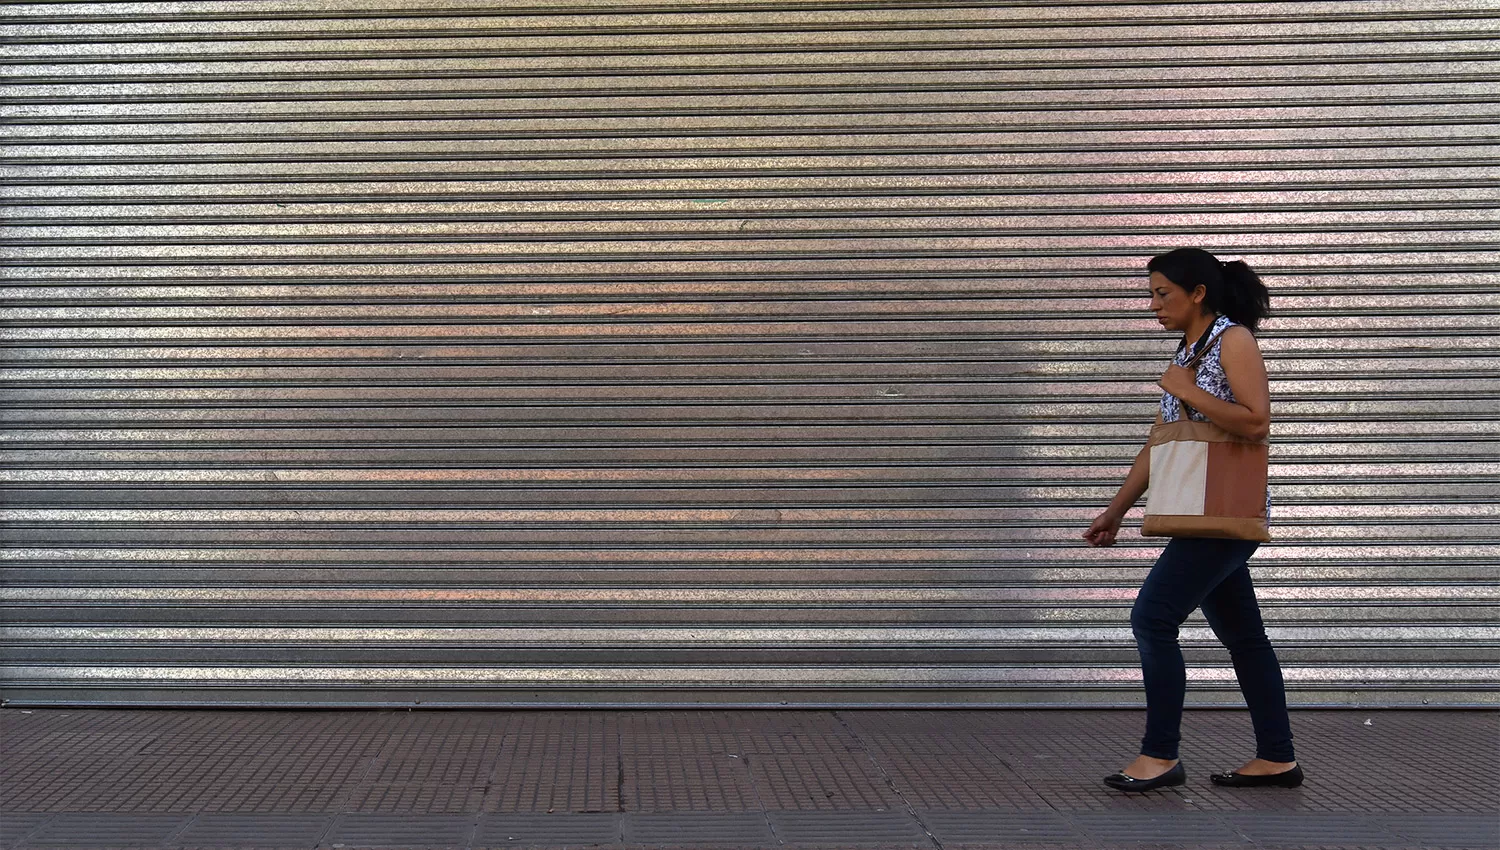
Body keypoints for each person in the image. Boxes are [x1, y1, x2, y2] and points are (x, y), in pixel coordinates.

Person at [1084, 248, 1302, 792]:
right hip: (1198, 514)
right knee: (1245, 637)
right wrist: (1116, 510)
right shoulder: (1188, 350)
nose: (1154, 306)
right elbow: (1163, 443)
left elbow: (1255, 423)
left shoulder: (1233, 340)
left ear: (1197, 293)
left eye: (1163, 294)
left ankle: (1160, 755)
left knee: (1152, 618)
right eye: (1152, 294)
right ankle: (1277, 759)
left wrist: (1187, 389)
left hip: (1224, 511)